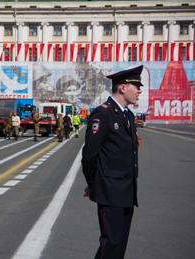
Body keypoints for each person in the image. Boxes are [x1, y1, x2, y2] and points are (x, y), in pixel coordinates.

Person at [81, 65, 143, 259]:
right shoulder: (103, 114)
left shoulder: (128, 116)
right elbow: (90, 155)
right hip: (110, 189)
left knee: (120, 243)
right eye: (137, 86)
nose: (140, 90)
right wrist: (93, 183)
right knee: (112, 242)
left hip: (127, 190)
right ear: (123, 88)